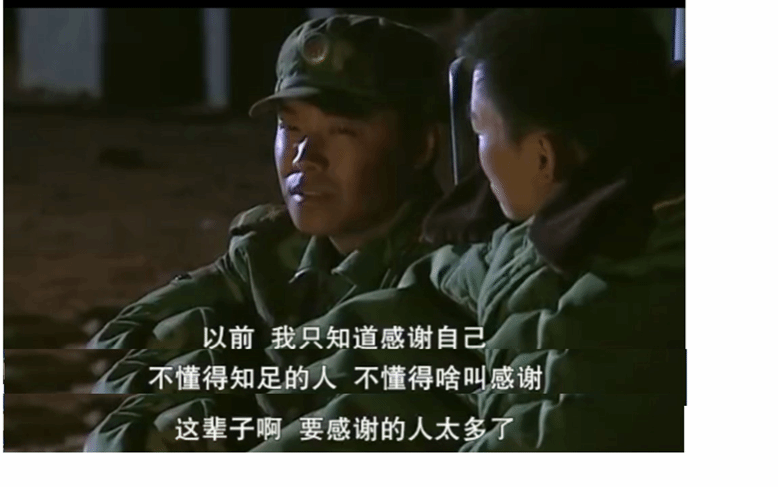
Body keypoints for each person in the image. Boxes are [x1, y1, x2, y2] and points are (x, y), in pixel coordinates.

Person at [250, 8, 686, 452]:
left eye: (480, 131)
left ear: (542, 157)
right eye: (291, 128)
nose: (477, 162)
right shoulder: (557, 226)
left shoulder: (613, 303)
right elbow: (436, 286)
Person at [84, 14, 460, 452]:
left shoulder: (452, 281)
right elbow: (115, 354)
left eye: (342, 131)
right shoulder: (273, 255)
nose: (305, 156)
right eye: (291, 127)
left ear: (421, 146)